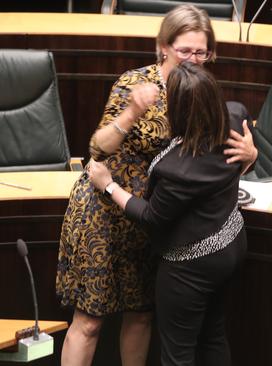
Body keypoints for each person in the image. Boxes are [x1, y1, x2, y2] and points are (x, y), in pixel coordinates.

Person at [55, 5, 257, 366]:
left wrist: (250, 155)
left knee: (142, 314)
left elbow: (216, 161)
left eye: (201, 52)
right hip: (107, 211)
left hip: (159, 217)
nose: (193, 59)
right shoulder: (134, 84)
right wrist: (131, 113)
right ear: (163, 46)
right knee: (89, 322)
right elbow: (96, 149)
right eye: (185, 51)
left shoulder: (202, 91)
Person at [88, 61, 246, 366]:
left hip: (190, 267)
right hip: (231, 244)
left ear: (179, 109)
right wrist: (252, 154)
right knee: (213, 335)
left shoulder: (179, 168)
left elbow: (151, 216)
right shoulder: (235, 117)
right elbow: (247, 147)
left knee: (178, 353)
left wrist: (108, 185)